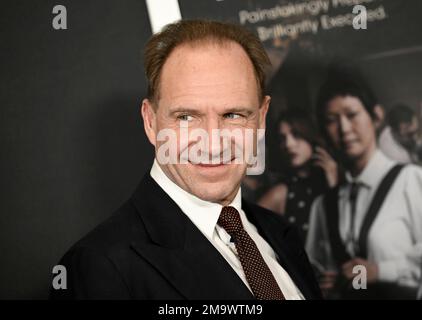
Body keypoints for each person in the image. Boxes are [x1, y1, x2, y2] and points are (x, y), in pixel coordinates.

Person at [50, 20, 322, 300]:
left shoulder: (280, 233)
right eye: (187, 117)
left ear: (262, 118)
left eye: (233, 115)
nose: (213, 143)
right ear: (150, 122)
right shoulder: (99, 268)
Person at [305, 75, 422, 299]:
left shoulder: (411, 181)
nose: (344, 128)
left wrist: (381, 271)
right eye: (331, 120)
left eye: (352, 115)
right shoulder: (323, 206)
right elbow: (314, 272)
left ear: (376, 116)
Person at [258, 109, 338, 243]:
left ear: (311, 135)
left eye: (296, 135)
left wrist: (334, 184)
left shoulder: (339, 178)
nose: (288, 144)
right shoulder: (281, 192)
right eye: (282, 138)